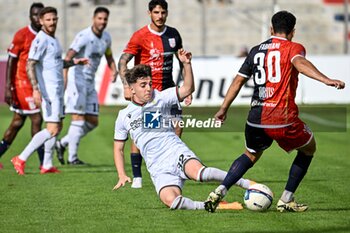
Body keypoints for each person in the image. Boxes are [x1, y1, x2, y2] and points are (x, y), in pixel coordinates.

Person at [204, 10, 346, 213]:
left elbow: (238, 81)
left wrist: (223, 108)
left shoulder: (255, 50)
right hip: (281, 118)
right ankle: (286, 199)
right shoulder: (294, 48)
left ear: (271, 28)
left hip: (255, 118)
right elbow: (300, 63)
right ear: (293, 32)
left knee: (251, 154)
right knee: (308, 148)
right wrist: (326, 80)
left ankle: (220, 190)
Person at [113, 49, 253, 210]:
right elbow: (118, 148)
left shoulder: (159, 98)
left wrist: (187, 64)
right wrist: (122, 174)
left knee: (200, 174)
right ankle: (216, 206)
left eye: (150, 84)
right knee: (171, 201)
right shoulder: (123, 116)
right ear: (131, 89)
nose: (148, 88)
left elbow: (187, 89)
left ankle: (247, 184)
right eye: (143, 85)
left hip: (174, 151)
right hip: (157, 167)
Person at [118, 0, 190, 188]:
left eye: (163, 12)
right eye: (156, 12)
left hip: (169, 88)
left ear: (167, 13)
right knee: (144, 131)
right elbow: (123, 61)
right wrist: (126, 85)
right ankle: (138, 176)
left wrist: (184, 88)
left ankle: (169, 162)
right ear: (149, 13)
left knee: (178, 126)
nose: (160, 16)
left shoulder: (173, 35)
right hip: (150, 92)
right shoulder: (140, 35)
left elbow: (182, 61)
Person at [10, 6, 88, 175]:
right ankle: (21, 158)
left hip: (58, 91)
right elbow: (30, 63)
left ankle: (46, 164)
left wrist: (75, 62)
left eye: (54, 19)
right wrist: (36, 89)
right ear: (41, 21)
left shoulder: (53, 39)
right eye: (48, 19)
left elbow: (57, 63)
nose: (52, 22)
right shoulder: (41, 39)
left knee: (57, 128)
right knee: (51, 129)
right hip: (49, 92)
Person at [55, 7, 118, 165]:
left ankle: (62, 143)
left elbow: (109, 56)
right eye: (100, 18)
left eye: (105, 19)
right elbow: (68, 57)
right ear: (93, 19)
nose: (102, 22)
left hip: (90, 82)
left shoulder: (106, 38)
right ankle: (72, 158)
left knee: (93, 121)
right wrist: (65, 80)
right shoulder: (83, 36)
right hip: (78, 80)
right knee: (78, 117)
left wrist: (114, 70)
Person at [0, 2, 44, 169]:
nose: (37, 19)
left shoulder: (45, 35)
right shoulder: (22, 35)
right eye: (34, 15)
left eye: (40, 15)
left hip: (35, 84)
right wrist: (8, 86)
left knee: (17, 123)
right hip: (22, 83)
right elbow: (11, 60)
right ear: (30, 17)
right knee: (37, 119)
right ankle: (43, 164)